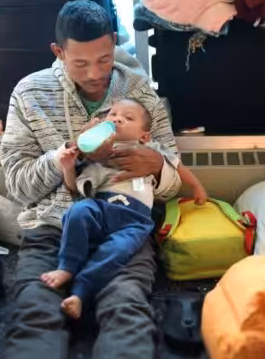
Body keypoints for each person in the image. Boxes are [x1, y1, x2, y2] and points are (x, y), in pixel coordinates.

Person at [2, 0, 182, 359]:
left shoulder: (140, 92)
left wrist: (157, 166)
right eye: (80, 63)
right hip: (53, 228)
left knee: (127, 310)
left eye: (104, 59)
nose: (94, 74)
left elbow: (174, 183)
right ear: (58, 52)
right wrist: (71, 155)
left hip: (124, 228)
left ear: (113, 42)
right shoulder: (29, 93)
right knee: (35, 314)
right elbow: (18, 185)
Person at [41, 98, 207, 319]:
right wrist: (68, 167)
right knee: (77, 211)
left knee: (117, 251)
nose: (117, 118)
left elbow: (178, 167)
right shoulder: (96, 155)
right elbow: (74, 190)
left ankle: (81, 292)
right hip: (101, 207)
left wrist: (196, 186)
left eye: (128, 118)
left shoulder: (152, 149)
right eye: (113, 114)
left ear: (144, 136)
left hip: (134, 220)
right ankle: (67, 266)